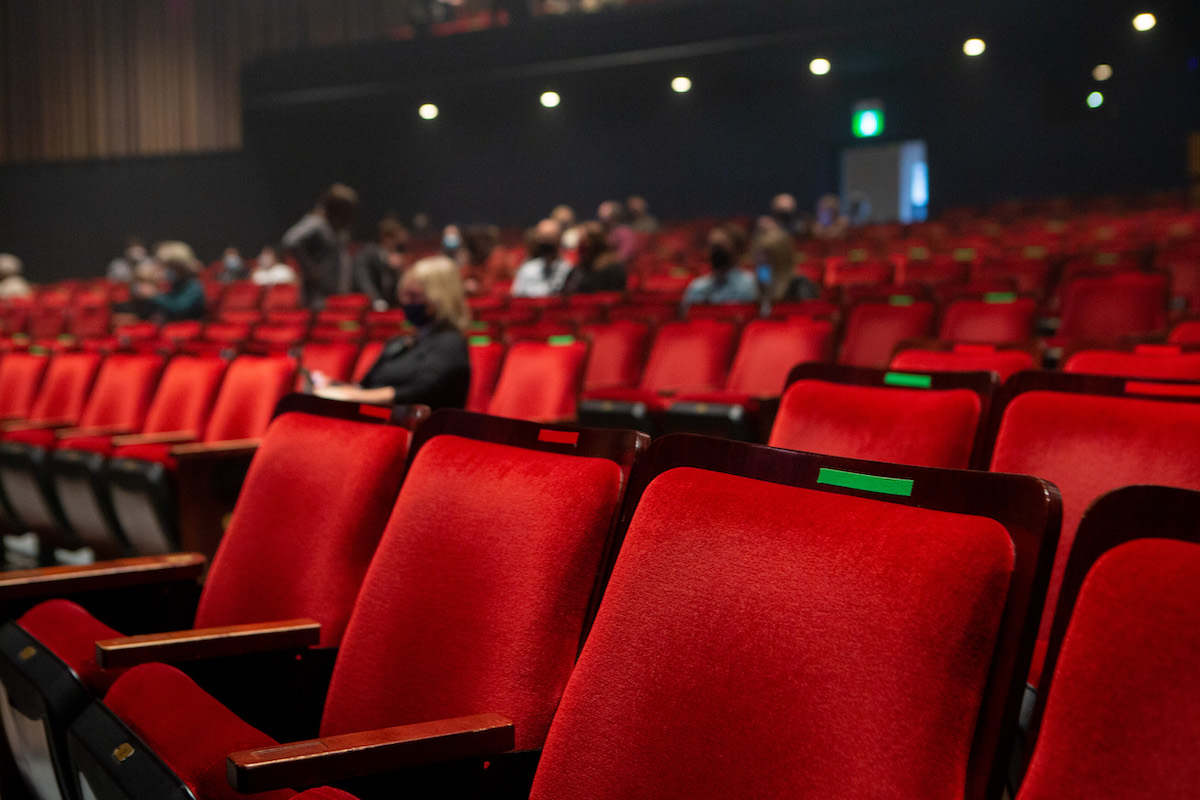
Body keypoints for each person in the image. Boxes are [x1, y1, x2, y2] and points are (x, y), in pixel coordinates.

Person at [312, 255, 471, 409]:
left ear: (441, 299)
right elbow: (365, 386)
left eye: (415, 296)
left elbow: (419, 393)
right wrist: (334, 386)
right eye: (405, 295)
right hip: (376, 417)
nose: (406, 303)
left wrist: (350, 397)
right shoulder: (403, 342)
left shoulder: (449, 345)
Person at [281, 183, 360, 308]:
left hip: (336, 295)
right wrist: (311, 268)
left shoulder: (339, 229)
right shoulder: (316, 223)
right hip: (317, 296)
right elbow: (290, 240)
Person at [681, 224, 758, 310]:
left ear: (738, 249)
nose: (716, 252)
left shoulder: (751, 285)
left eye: (720, 247)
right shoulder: (697, 287)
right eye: (713, 246)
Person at [132, 241, 206, 321]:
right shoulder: (175, 285)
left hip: (186, 329)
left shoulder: (193, 287)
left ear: (180, 266)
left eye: (170, 266)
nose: (166, 270)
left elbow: (179, 309)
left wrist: (154, 295)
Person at [753, 227, 819, 308]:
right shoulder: (761, 283)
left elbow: (807, 315)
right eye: (758, 255)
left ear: (781, 259)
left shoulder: (800, 286)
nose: (760, 260)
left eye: (767, 257)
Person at [355, 218, 409, 310]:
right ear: (385, 237)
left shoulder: (395, 254)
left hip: (391, 305)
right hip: (372, 305)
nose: (396, 244)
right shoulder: (368, 254)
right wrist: (375, 299)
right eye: (394, 240)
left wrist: (397, 270)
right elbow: (364, 280)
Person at [561, 222, 627, 295]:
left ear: (596, 242)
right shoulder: (578, 269)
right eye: (579, 242)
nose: (580, 247)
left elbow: (611, 299)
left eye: (583, 242)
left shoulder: (613, 268)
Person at [511, 219, 571, 297]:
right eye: (543, 237)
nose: (546, 242)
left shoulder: (569, 270)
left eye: (550, 236)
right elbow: (516, 299)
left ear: (559, 238)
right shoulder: (527, 269)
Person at [597, 200, 637, 264]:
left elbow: (625, 253)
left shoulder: (624, 232)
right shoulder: (599, 231)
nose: (601, 215)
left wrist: (610, 260)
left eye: (604, 212)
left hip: (616, 267)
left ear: (615, 215)